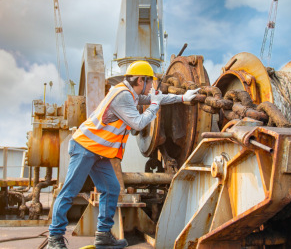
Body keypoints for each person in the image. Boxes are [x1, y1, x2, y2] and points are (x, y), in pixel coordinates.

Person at [47, 60, 200, 249]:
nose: (152, 85)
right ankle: (55, 239)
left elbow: (157, 98)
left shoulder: (131, 94)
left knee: (111, 189)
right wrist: (154, 104)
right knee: (69, 191)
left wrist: (183, 98)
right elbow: (138, 123)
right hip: (85, 147)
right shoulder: (122, 96)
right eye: (150, 82)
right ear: (140, 80)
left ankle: (103, 236)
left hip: (100, 152)